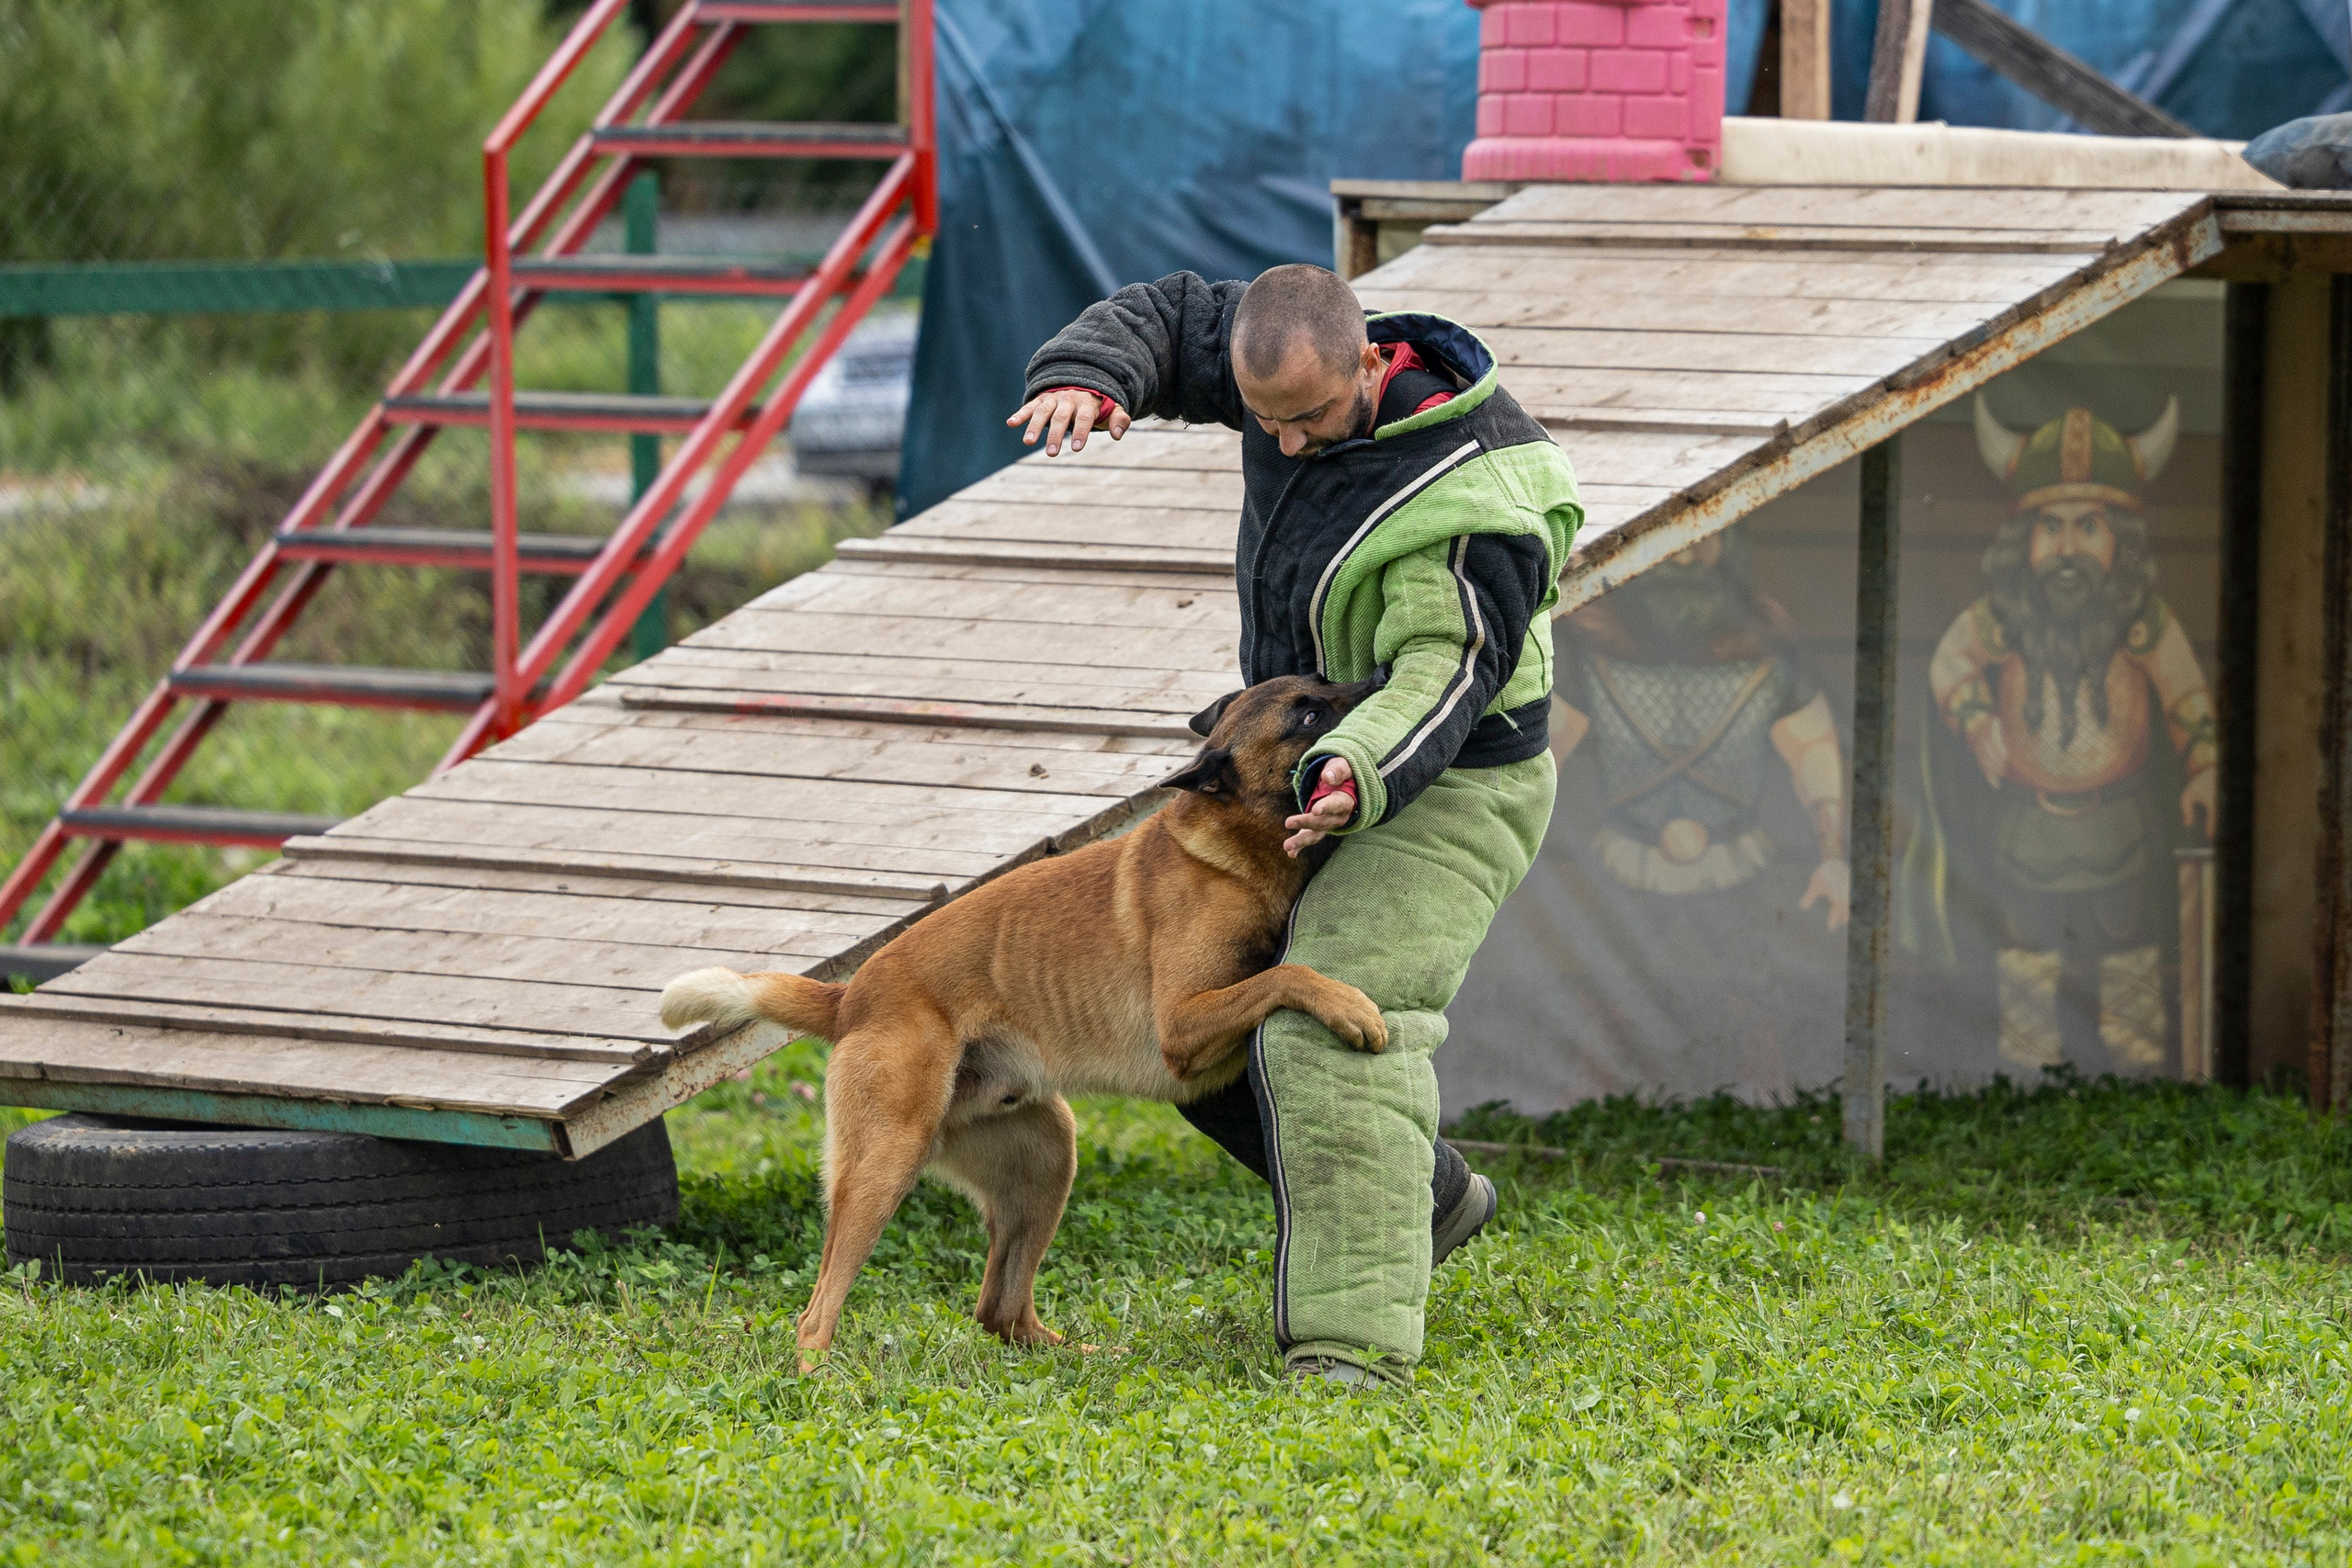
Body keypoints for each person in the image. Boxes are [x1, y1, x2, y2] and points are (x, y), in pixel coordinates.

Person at [1006, 264, 1582, 1386]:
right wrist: (1092, 373)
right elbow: (1172, 318)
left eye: (1308, 418)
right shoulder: (1286, 369)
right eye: (1263, 420)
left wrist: (1353, 769)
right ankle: (1430, 1197)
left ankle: (1349, 1349)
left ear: (1370, 363)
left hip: (1449, 778)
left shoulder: (1477, 496)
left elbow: (1443, 670)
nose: (1285, 444)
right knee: (1185, 1035)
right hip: (1299, 774)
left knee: (1333, 1023)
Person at [1902, 396, 2213, 1074]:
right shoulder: (2003, 617)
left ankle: (2132, 1087)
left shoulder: (2143, 619)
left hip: (2123, 832)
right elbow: (1949, 663)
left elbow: (2186, 695)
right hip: (2025, 834)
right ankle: (2029, 1087)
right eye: (2052, 527)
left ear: (2119, 539)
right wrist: (1977, 719)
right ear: (2026, 538)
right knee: (2027, 969)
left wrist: (2205, 768)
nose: (2068, 549)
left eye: (2088, 526)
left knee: (2127, 970)